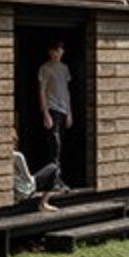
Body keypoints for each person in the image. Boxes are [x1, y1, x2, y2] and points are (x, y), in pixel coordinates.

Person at [38, 39, 73, 192]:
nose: (56, 54)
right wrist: (45, 113)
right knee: (55, 146)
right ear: (49, 52)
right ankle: (54, 182)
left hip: (63, 111)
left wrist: (69, 113)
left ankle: (56, 180)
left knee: (59, 148)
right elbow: (42, 91)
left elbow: (66, 91)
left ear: (62, 52)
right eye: (53, 51)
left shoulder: (65, 68)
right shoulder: (45, 68)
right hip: (52, 109)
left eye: (58, 51)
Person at [13, 132, 62, 212]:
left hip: (15, 192)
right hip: (25, 191)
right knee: (54, 168)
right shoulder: (18, 156)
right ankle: (43, 203)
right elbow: (28, 179)